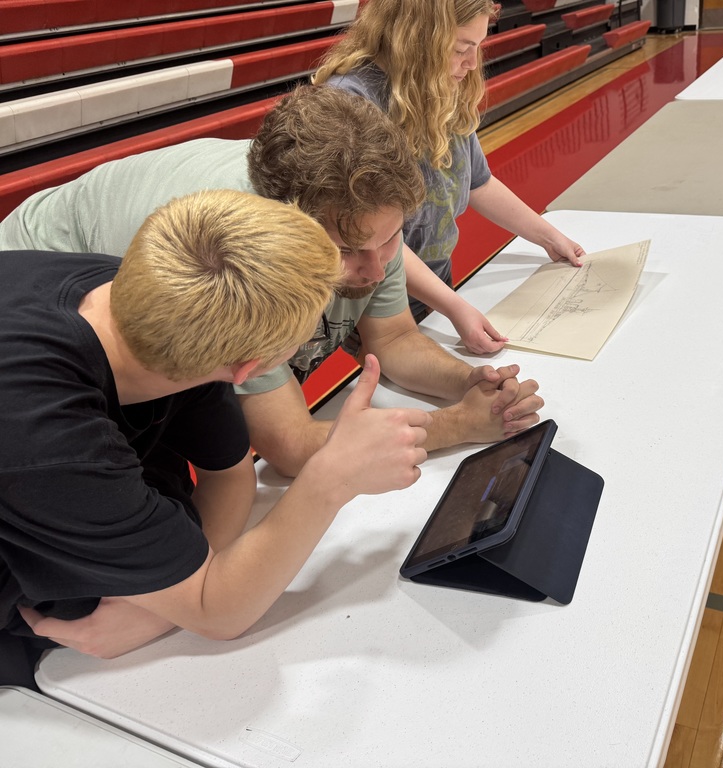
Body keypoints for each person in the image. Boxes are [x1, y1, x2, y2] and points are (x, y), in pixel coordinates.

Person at [0, 189, 431, 689]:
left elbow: (229, 474)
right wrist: (330, 480)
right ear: (251, 369)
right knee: (80, 623)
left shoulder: (154, 304)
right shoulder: (46, 433)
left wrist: (167, 603)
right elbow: (222, 615)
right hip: (25, 598)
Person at [0, 84, 544, 479]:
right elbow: (287, 444)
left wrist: (470, 387)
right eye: (351, 251)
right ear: (291, 228)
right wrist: (455, 426)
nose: (379, 269)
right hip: (37, 284)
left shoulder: (364, 215)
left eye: (390, 242)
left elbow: (395, 341)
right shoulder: (248, 254)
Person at [312, 0, 586, 354]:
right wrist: (453, 306)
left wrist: (548, 236)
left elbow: (477, 181)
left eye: (478, 47)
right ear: (418, 40)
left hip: (437, 283)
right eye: (460, 49)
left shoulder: (440, 82)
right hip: (381, 291)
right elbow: (371, 242)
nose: (472, 64)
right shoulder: (351, 99)